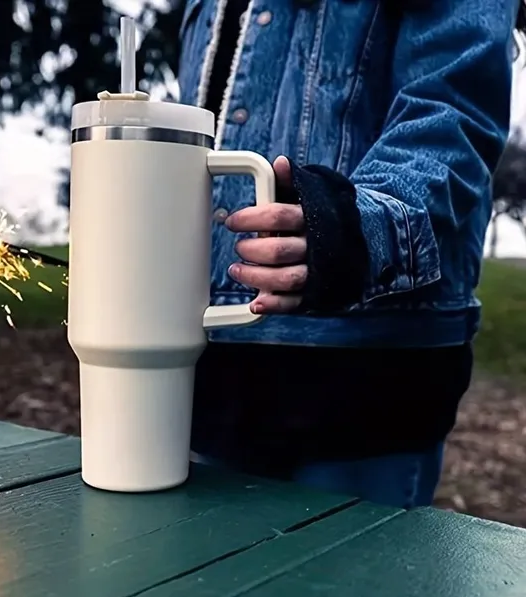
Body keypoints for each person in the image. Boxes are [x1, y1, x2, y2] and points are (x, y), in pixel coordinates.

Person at [179, 0, 524, 508]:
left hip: (363, 370)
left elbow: (452, 108)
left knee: (352, 586)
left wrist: (352, 229)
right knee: (201, 581)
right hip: (203, 362)